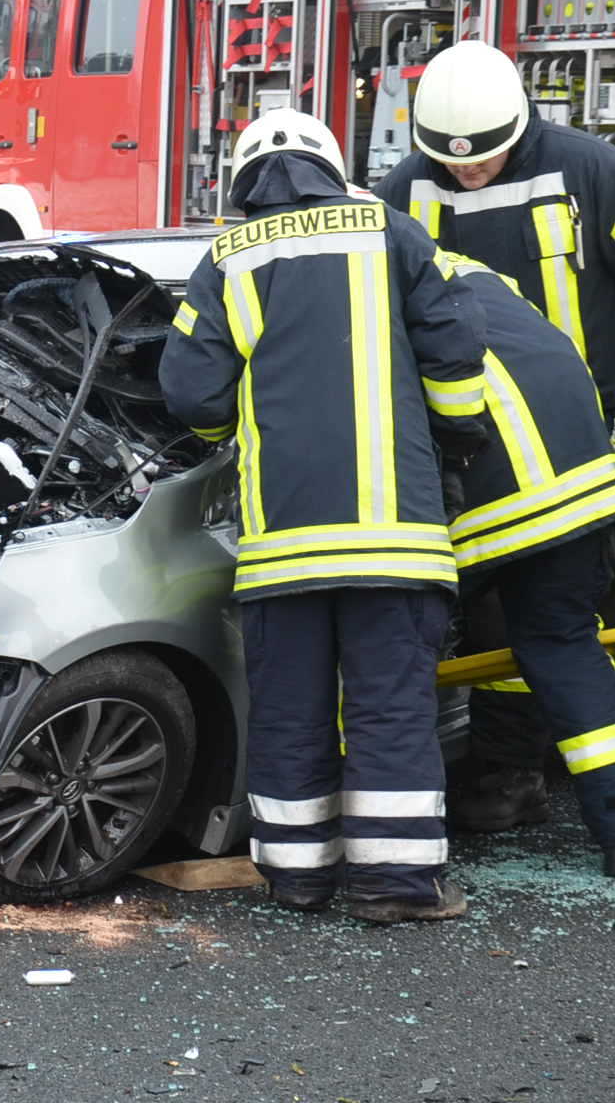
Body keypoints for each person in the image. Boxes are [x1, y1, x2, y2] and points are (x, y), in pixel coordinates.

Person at [163, 108, 488, 924]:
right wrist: (452, 436)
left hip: (285, 551)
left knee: (291, 708)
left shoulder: (227, 258)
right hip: (397, 537)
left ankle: (299, 878)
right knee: (389, 706)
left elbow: (193, 393)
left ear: (242, 182)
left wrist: (229, 432)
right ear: (333, 166)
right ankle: (394, 886)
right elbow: (456, 354)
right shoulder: (394, 232)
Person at [377, 40, 615, 826]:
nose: (468, 173)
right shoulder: (402, 194)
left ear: (520, 127)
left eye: (485, 160)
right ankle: (516, 774)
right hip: (489, 455)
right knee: (507, 626)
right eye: (452, 163)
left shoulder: (595, 173)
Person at [429, 250, 615, 877]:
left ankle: (389, 837)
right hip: (583, 493)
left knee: (393, 658)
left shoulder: (369, 294)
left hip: (493, 505)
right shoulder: (479, 272)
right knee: (563, 647)